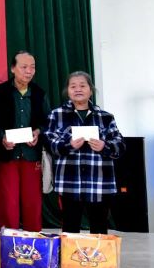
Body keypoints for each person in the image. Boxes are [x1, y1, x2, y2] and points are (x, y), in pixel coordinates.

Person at [46, 71, 124, 234]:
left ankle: (97, 252)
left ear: (91, 90)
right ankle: (71, 253)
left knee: (99, 228)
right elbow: (49, 143)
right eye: (73, 86)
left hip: (100, 182)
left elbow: (120, 145)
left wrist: (104, 146)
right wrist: (68, 145)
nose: (78, 89)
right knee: (70, 228)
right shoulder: (57, 114)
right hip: (69, 181)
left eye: (82, 85)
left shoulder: (105, 117)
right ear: (67, 91)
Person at [0, 51, 49, 232]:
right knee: (8, 201)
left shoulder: (39, 93)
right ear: (13, 68)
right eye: (24, 67)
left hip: (31, 155)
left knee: (32, 201)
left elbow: (48, 122)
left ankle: (33, 241)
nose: (29, 71)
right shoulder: (0, 92)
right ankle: (9, 241)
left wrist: (38, 132)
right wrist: (2, 138)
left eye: (32, 67)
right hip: (7, 155)